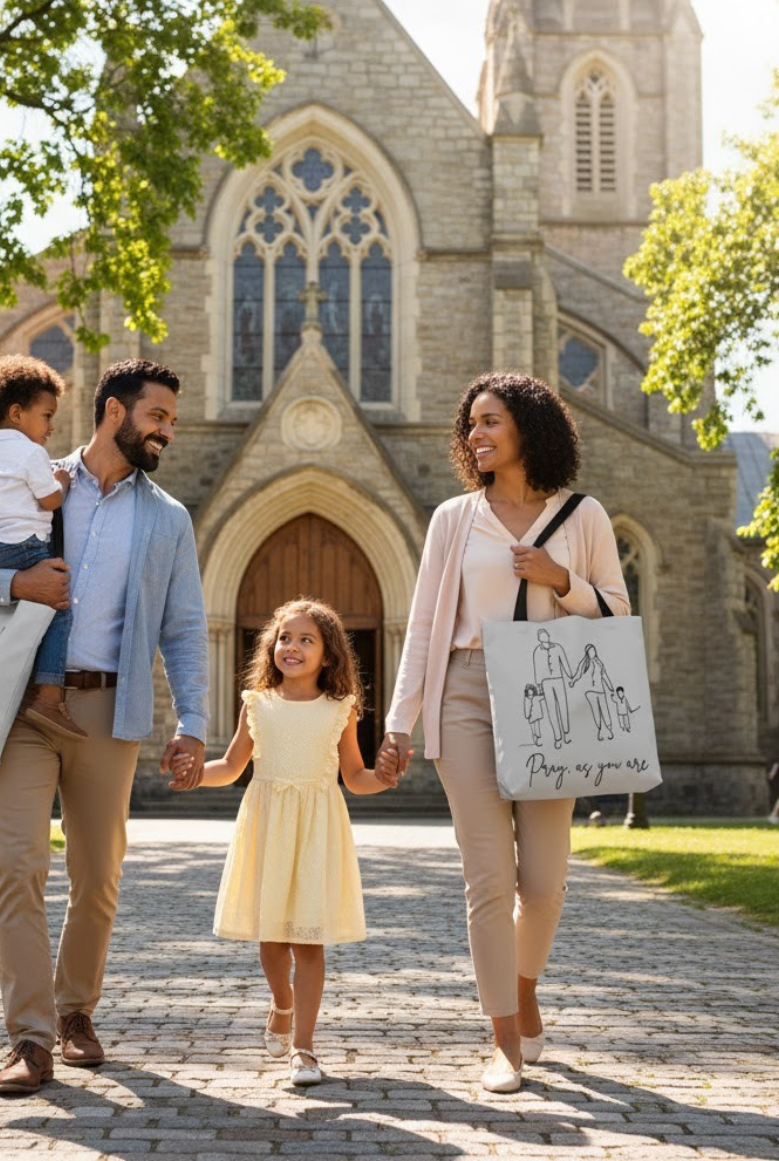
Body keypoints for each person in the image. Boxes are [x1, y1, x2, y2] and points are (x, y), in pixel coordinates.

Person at [0, 358, 209, 1096]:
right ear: (115, 412)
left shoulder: (168, 518)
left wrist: (193, 720)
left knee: (98, 877)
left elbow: (184, 630)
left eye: (172, 422)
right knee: (17, 867)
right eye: (159, 417)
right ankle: (28, 1036)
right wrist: (12, 582)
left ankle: (75, 1011)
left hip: (110, 712)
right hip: (20, 703)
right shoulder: (25, 471)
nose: (168, 432)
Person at [377, 371, 630, 1094]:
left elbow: (616, 612)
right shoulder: (455, 519)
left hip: (552, 694)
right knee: (488, 879)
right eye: (471, 426)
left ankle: (521, 991)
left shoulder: (584, 517)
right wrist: (401, 722)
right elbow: (425, 625)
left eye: (490, 422)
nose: (476, 436)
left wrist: (561, 580)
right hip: (465, 694)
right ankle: (504, 1046)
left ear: (529, 428)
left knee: (544, 883)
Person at [170, 598, 398, 1087]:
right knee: (271, 938)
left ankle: (305, 1048)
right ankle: (282, 1002)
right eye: (284, 638)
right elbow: (231, 767)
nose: (291, 647)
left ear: (329, 655)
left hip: (317, 828)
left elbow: (355, 777)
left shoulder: (341, 708)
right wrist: (193, 776)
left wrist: (384, 776)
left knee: (308, 940)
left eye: (305, 640)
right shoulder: (257, 702)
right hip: (268, 824)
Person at [0, 354, 83, 740]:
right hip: (24, 549)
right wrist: (60, 479)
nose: (51, 426)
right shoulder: (32, 454)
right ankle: (49, 698)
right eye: (46, 416)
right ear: (17, 413)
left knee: (2, 625)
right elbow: (50, 502)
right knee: (59, 607)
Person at [571, 643, 615, 741]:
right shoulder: (584, 663)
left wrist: (611, 688)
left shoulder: (599, 663)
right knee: (596, 711)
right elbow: (578, 674)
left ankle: (609, 729)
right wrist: (573, 681)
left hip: (600, 690)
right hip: (590, 691)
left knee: (605, 710)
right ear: (587, 653)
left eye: (594, 650)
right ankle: (600, 731)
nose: (593, 652)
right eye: (590, 651)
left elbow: (604, 676)